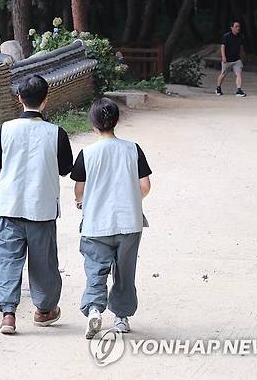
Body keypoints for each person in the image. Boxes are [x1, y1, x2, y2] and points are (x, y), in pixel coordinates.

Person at [0, 75, 73, 335]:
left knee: (8, 261)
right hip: (42, 208)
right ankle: (44, 310)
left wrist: (7, 180)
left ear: (19, 98)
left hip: (9, 206)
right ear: (46, 100)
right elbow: (65, 169)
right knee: (44, 262)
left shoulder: (4, 129)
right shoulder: (56, 133)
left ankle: (8, 315)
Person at [71, 98, 151, 339]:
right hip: (129, 223)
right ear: (116, 121)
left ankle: (95, 309)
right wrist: (132, 200)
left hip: (96, 224)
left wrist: (80, 202)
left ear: (93, 124)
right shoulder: (133, 149)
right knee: (125, 271)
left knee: (95, 269)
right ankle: (121, 318)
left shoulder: (87, 153)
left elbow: (79, 189)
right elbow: (145, 185)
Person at [216, 21, 246, 97]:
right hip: (227, 59)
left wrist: (242, 56)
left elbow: (241, 47)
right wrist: (223, 57)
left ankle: (239, 90)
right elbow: (223, 47)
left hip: (236, 59)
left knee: (239, 74)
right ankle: (218, 88)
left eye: (239, 26)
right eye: (236, 26)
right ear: (231, 28)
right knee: (223, 74)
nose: (238, 28)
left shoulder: (240, 36)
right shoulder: (227, 36)